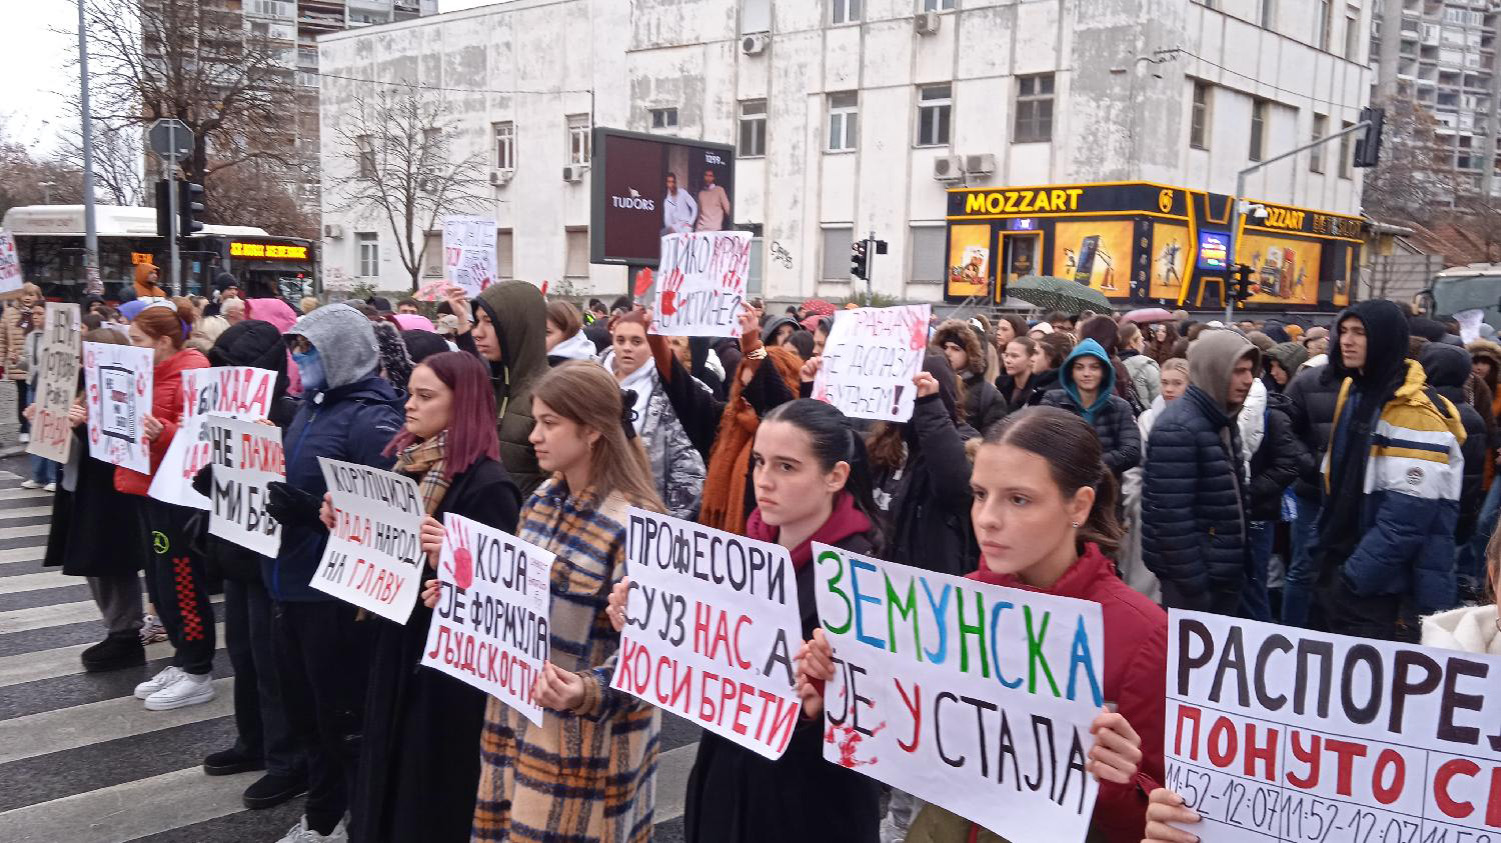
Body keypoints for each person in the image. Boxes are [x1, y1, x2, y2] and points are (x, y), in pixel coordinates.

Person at [801, 407, 1165, 843]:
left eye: (1018, 499)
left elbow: (1160, 817)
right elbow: (916, 733)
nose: (987, 517)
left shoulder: (1142, 634)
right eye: (979, 494)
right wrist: (838, 686)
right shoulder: (959, 601)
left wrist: (1116, 784)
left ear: (1079, 505)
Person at [607, 398, 885, 843]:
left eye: (787, 467)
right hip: (725, 784)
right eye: (759, 462)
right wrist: (644, 621)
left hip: (808, 808)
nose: (764, 480)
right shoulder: (739, 557)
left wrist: (825, 706)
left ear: (835, 476)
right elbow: (704, 658)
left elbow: (878, 728)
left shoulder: (865, 580)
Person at [418, 361, 662, 843]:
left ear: (592, 430)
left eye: (550, 423)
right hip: (515, 724)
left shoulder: (638, 524)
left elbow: (653, 659)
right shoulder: (542, 499)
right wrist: (464, 598)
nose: (534, 436)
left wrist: (586, 691)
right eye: (535, 421)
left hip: (586, 747)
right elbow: (521, 600)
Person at [351, 352, 521, 843]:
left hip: (445, 674)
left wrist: (452, 564)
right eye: (410, 393)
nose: (409, 405)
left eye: (425, 396)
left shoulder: (489, 485)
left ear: (461, 404)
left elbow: (499, 596)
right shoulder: (407, 464)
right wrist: (345, 524)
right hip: (398, 644)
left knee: (428, 787)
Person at [264, 303, 404, 843]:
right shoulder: (310, 409)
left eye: (309, 348)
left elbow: (387, 519)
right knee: (307, 715)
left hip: (336, 598)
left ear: (341, 351)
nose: (300, 359)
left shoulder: (371, 420)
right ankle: (324, 817)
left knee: (341, 720)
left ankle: (356, 820)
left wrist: (310, 513)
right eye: (296, 348)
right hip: (291, 583)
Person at [190, 319, 306, 810]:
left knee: (270, 661)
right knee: (241, 652)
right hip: (236, 551)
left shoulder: (290, 416)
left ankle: (288, 761)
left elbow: (293, 487)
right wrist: (206, 475)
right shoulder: (224, 413)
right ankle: (252, 740)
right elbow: (220, 484)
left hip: (271, 557)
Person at [1315, 300, 1464, 641]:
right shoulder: (1355, 391)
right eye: (1343, 331)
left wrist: (1353, 579)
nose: (1346, 341)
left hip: (1383, 591)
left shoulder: (1415, 414)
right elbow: (1335, 484)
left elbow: (1406, 522)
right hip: (1344, 567)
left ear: (1384, 338)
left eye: (1359, 332)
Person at [118, 300, 216, 710]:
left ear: (163, 341)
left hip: (176, 495)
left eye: (138, 340)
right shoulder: (145, 372)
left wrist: (164, 433)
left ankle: (198, 669)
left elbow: (202, 436)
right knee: (160, 584)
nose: (132, 347)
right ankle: (182, 659)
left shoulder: (193, 370)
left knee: (182, 582)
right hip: (147, 489)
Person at [42, 328, 149, 671]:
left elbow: (117, 447)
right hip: (82, 486)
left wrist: (81, 427)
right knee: (94, 562)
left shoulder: (120, 389)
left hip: (108, 492)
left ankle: (125, 633)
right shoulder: (80, 388)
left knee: (111, 562)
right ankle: (117, 629)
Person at [1141, 329, 1258, 615]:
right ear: (1213, 371)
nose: (1248, 380)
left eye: (1250, 371)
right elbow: (1171, 520)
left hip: (1218, 574)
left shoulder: (1221, 418)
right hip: (1196, 586)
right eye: (1238, 371)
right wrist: (1195, 586)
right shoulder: (1178, 428)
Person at [598, 309, 706, 518]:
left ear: (651, 346)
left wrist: (669, 521)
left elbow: (688, 466)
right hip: (595, 504)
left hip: (646, 510)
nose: (626, 348)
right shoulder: (591, 381)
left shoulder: (672, 391)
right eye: (620, 340)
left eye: (637, 341)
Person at [453, 281, 550, 495]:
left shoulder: (552, 396)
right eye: (477, 321)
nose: (477, 333)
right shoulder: (491, 387)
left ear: (517, 327)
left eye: (489, 322)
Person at [1419, 343, 1486, 558]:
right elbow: (1470, 480)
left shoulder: (1416, 409)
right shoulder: (1472, 418)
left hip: (1411, 510)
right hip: (1451, 519)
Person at [1041, 338, 1140, 479]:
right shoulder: (1053, 400)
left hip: (1105, 486)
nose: (1086, 373)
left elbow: (1132, 451)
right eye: (1079, 367)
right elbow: (1042, 442)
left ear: (1104, 371)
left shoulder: (1120, 407)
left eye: (1094, 367)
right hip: (1063, 484)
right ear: (1071, 371)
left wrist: (1092, 465)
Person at [933, 319, 1006, 434]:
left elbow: (992, 441)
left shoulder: (989, 396)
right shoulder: (933, 386)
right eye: (945, 347)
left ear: (971, 354)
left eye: (956, 349)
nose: (947, 353)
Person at [20, 300, 58, 490]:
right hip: (33, 386)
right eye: (34, 313)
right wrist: (18, 361)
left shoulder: (55, 337)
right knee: (35, 431)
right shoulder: (31, 336)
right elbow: (29, 364)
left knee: (50, 430)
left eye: (40, 313)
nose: (36, 317)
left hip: (51, 387)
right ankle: (38, 475)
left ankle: (53, 477)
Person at [3, 283, 42, 443]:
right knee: (23, 396)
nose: (27, 297)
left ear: (38, 297)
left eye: (31, 294)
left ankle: (38, 426)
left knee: (38, 396)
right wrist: (2, 361)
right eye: (24, 294)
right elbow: (2, 339)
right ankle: (24, 426)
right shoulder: (10, 313)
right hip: (19, 362)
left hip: (37, 363)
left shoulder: (42, 313)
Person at [1118, 322, 1161, 409]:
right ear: (1132, 343)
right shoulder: (1147, 366)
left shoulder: (1112, 366)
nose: (1143, 344)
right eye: (1141, 340)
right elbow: (1159, 399)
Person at [995, 336, 1039, 412]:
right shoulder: (1001, 383)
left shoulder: (1038, 389)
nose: (1007, 360)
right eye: (1006, 355)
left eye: (1014, 356)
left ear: (1031, 359)